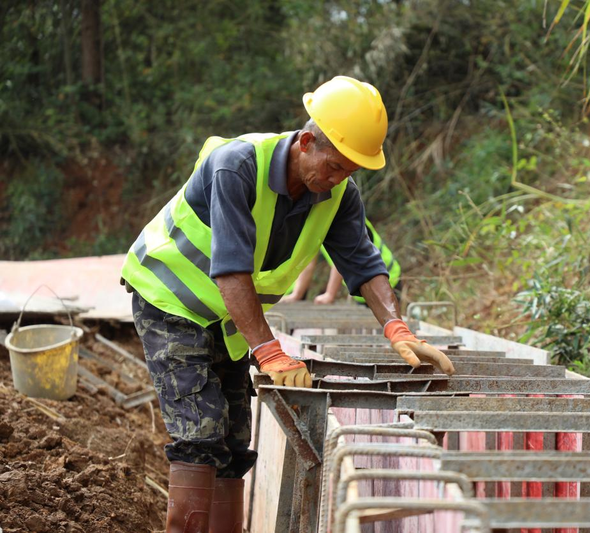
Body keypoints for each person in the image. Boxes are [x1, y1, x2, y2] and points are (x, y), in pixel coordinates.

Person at [119, 76, 456, 533]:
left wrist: (398, 328)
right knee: (200, 433)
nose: (338, 180)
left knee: (234, 446)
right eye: (335, 166)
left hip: (227, 318)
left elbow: (363, 263)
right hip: (170, 300)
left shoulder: (336, 194)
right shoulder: (235, 166)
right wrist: (271, 352)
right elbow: (232, 270)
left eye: (350, 172)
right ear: (305, 142)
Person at [283, 218, 402, 304]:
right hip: (363, 289)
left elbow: (343, 259)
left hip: (387, 281)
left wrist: (330, 294)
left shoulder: (347, 219)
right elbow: (308, 261)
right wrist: (296, 295)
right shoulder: (315, 224)